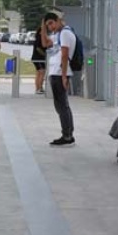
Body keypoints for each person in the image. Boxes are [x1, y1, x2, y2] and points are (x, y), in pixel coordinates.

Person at [42, 11, 76, 146]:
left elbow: (65, 55)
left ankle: (67, 136)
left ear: (58, 20)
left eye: (51, 23)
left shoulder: (66, 33)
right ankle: (68, 134)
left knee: (62, 105)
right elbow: (45, 44)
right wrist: (43, 27)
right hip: (55, 72)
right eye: (47, 25)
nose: (50, 27)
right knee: (61, 105)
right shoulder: (58, 34)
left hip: (60, 73)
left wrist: (63, 76)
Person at [31, 25, 47, 94]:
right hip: (38, 58)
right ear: (40, 32)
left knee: (38, 73)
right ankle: (39, 88)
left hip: (37, 58)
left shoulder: (39, 38)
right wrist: (45, 55)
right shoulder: (39, 38)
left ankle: (38, 88)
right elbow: (38, 48)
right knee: (42, 72)